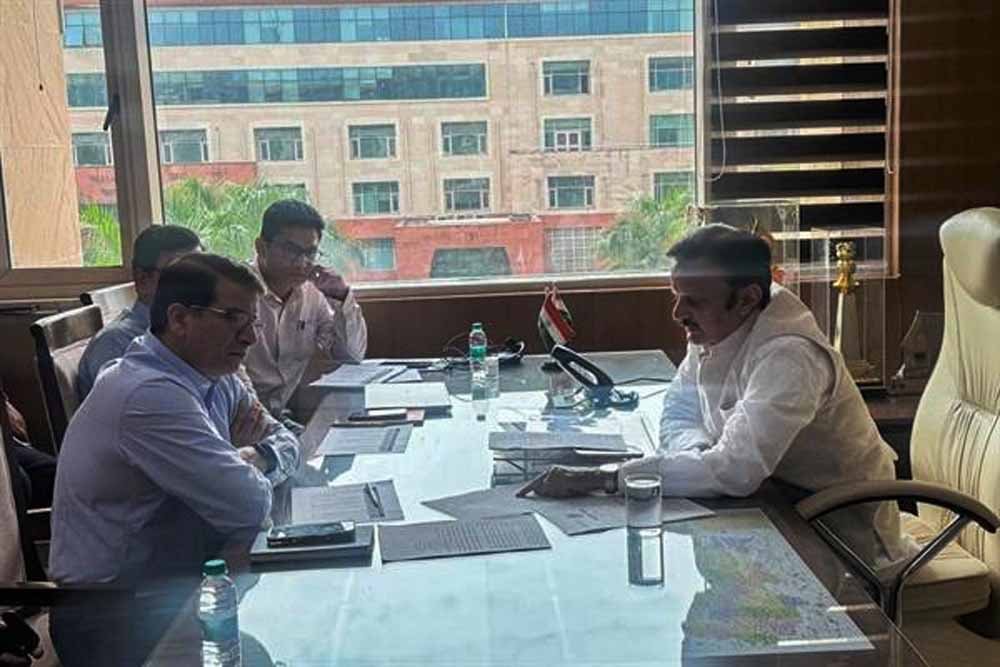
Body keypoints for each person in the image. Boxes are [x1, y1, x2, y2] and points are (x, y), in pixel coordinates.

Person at [529, 224, 910, 564]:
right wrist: (696, 456)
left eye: (693, 301)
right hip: (765, 507)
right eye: (676, 296)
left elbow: (735, 471)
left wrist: (604, 478)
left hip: (838, 533)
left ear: (746, 298)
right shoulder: (721, 319)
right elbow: (680, 408)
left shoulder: (790, 357)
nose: (678, 313)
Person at [50, 253, 300, 585]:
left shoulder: (216, 373)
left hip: (183, 572)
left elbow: (287, 441)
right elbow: (249, 506)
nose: (250, 338)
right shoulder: (147, 394)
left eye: (253, 323)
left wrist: (258, 455)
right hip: (114, 600)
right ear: (180, 319)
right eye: (233, 319)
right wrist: (241, 463)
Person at [244, 200, 367, 419]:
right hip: (239, 420)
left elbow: (352, 357)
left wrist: (341, 298)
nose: (302, 263)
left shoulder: (313, 294)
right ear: (261, 247)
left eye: (310, 253)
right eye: (291, 251)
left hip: (283, 418)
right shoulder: (235, 290)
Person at [77, 225, 201, 399]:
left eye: (202, 274)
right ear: (143, 280)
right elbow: (138, 411)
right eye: (181, 275)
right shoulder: (115, 344)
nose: (198, 286)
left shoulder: (194, 333)